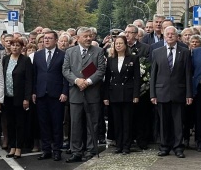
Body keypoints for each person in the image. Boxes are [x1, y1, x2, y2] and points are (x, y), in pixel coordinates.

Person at [62, 27, 106, 162]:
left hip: (91, 92)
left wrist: (87, 82)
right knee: (75, 123)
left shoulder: (98, 51)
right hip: (75, 92)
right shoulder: (70, 52)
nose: (88, 38)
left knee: (92, 123)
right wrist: (77, 81)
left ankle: (91, 149)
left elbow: (101, 70)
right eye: (85, 36)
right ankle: (76, 151)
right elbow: (65, 69)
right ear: (78, 38)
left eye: (90, 36)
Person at [150, 26, 193, 158]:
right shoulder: (157, 52)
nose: (169, 36)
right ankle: (164, 147)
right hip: (162, 92)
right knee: (164, 122)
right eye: (167, 34)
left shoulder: (185, 52)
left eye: (172, 34)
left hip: (179, 92)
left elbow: (188, 75)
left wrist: (189, 94)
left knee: (178, 122)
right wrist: (153, 94)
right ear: (163, 35)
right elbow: (153, 75)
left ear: (177, 36)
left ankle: (178, 147)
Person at [32, 31, 67, 161]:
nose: (46, 41)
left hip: (56, 94)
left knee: (57, 123)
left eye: (49, 38)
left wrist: (64, 92)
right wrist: (34, 92)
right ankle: (46, 149)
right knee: (43, 123)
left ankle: (57, 150)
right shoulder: (38, 55)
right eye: (45, 38)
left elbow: (65, 76)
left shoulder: (63, 55)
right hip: (41, 93)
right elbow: (35, 75)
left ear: (56, 40)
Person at [103, 36, 140, 154]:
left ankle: (126, 146)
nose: (118, 45)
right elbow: (107, 78)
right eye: (116, 44)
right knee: (117, 121)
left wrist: (136, 94)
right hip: (114, 93)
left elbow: (137, 78)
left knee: (127, 121)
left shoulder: (133, 58)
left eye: (120, 43)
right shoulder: (110, 59)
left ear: (125, 45)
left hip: (128, 93)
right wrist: (106, 96)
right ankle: (119, 145)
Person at [1, 37, 33, 159]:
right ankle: (12, 147)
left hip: (20, 98)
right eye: (12, 45)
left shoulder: (25, 60)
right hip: (7, 97)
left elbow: (28, 80)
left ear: (22, 47)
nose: (14, 47)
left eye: (17, 45)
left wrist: (26, 98)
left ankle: (19, 147)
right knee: (10, 123)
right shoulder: (5, 59)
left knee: (20, 123)